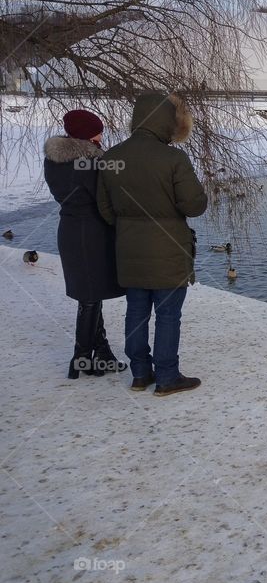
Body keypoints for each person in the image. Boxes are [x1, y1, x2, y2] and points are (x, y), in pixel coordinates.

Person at [97, 93, 208, 396]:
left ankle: (140, 374)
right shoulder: (173, 158)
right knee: (168, 315)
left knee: (136, 313)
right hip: (168, 251)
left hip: (129, 252)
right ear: (166, 121)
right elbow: (194, 205)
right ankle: (168, 377)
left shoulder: (111, 158)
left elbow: (105, 210)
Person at [43, 110, 127, 379]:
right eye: (97, 131)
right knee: (90, 298)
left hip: (69, 230)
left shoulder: (55, 160)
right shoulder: (89, 162)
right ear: (84, 135)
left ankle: (102, 354)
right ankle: (80, 358)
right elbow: (105, 198)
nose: (101, 136)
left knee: (90, 293)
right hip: (91, 233)